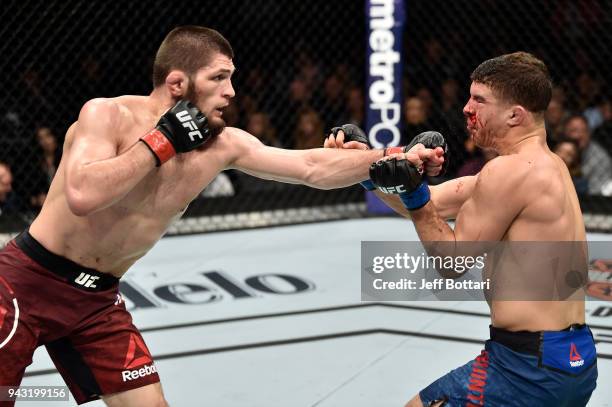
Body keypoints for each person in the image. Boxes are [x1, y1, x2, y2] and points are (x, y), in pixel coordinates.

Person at [0, 26, 408, 407]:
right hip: (25, 284)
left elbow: (311, 168)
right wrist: (160, 141)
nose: (231, 91)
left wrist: (392, 158)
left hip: (97, 300)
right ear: (178, 83)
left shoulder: (221, 145)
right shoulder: (107, 115)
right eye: (219, 78)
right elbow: (83, 195)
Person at [327, 52, 597, 406]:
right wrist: (364, 167)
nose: (467, 110)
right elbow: (433, 204)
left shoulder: (509, 172)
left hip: (528, 369)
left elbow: (451, 262)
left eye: (479, 101)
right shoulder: (547, 166)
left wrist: (413, 190)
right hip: (570, 357)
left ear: (515, 115)